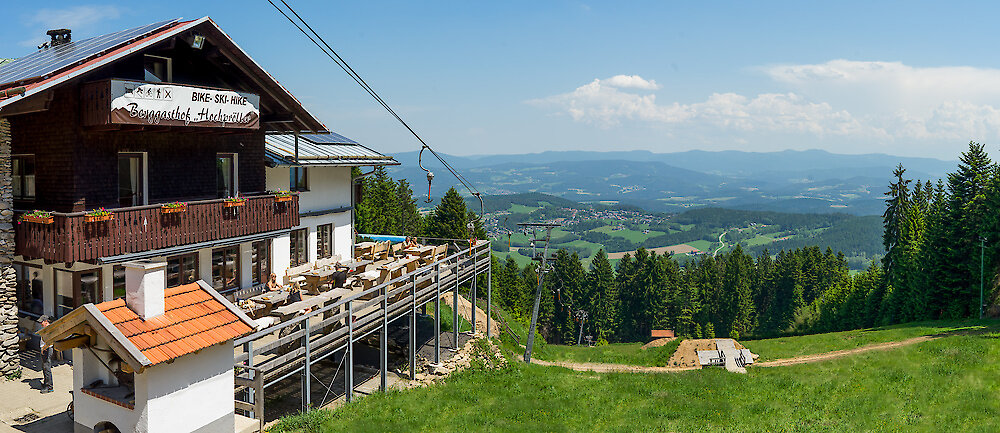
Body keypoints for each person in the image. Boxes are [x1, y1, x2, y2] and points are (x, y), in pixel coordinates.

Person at [37, 315, 53, 394]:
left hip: (47, 349)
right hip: (45, 349)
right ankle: (46, 383)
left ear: (46, 321)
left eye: (41, 322)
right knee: (44, 367)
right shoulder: (45, 328)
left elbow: (50, 341)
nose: (40, 324)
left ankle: (49, 387)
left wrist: (44, 348)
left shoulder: (49, 329)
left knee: (47, 368)